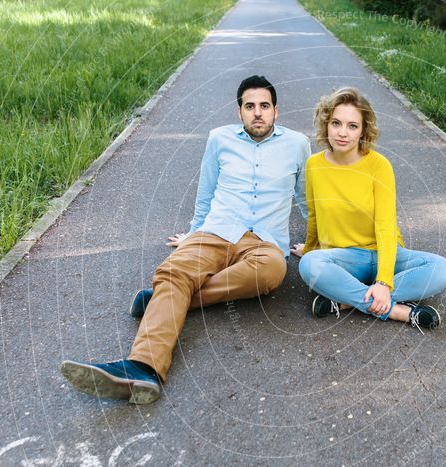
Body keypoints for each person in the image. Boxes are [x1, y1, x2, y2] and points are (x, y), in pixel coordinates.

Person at [61, 75, 310, 404]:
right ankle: (142, 368)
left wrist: (317, 244)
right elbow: (205, 196)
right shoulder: (219, 139)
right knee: (174, 272)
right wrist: (192, 235)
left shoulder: (297, 144)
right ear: (239, 112)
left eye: (264, 106)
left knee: (272, 272)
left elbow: (308, 201)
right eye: (249, 106)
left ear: (276, 111)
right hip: (217, 230)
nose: (257, 113)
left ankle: (165, 301)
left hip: (264, 244)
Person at [291, 87, 446, 331]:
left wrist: (384, 282)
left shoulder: (379, 166)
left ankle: (348, 301)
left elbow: (386, 226)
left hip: (383, 254)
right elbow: (314, 215)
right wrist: (311, 249)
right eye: (336, 123)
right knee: (310, 265)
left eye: (352, 126)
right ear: (326, 125)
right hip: (345, 258)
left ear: (364, 130)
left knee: (441, 269)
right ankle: (399, 311)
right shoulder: (314, 165)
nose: (343, 132)